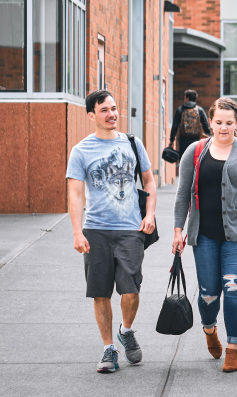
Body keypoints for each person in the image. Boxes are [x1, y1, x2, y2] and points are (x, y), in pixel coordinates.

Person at [173, 97, 237, 373]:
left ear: (236, 123)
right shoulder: (195, 152)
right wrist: (178, 230)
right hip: (204, 233)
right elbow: (183, 194)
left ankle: (234, 346)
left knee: (233, 287)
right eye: (218, 122)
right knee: (208, 294)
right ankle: (209, 329)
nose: (223, 128)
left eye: (229, 123)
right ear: (211, 122)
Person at [66, 89, 157, 373]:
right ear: (92, 115)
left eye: (114, 108)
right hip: (96, 230)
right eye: (104, 110)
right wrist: (77, 232)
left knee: (131, 289)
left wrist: (151, 214)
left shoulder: (132, 143)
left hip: (131, 228)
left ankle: (126, 330)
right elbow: (75, 196)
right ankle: (108, 350)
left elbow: (149, 183)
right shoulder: (81, 150)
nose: (112, 114)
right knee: (100, 293)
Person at [170, 89, 211, 159]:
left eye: (184, 98)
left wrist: (171, 140)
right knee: (196, 158)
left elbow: (175, 125)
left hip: (183, 139)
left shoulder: (180, 109)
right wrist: (209, 136)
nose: (184, 99)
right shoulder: (199, 110)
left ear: (187, 98)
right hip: (196, 139)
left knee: (183, 158)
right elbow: (205, 124)